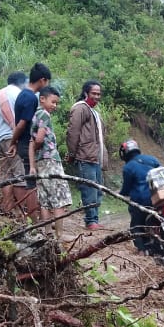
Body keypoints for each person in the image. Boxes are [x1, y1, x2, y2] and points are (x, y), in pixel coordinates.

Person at [7, 63, 53, 221]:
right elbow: (22, 124)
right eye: (46, 82)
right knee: (32, 184)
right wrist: (13, 141)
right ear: (42, 80)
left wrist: (15, 142)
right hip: (27, 145)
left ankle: (35, 218)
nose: (46, 86)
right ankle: (35, 221)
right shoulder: (30, 98)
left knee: (31, 181)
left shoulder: (23, 94)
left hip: (24, 144)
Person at [29, 85, 72, 239]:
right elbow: (39, 139)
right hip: (51, 161)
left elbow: (31, 143)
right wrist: (41, 145)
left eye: (56, 103)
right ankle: (59, 235)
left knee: (45, 200)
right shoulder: (44, 115)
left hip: (40, 162)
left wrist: (32, 165)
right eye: (53, 102)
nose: (55, 106)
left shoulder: (34, 116)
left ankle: (48, 233)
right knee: (59, 199)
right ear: (42, 99)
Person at [65, 80, 107, 230]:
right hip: (85, 157)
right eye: (93, 93)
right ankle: (90, 221)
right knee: (89, 190)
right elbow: (73, 132)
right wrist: (72, 153)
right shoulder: (80, 109)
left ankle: (94, 219)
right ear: (86, 93)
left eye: (99, 94)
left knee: (97, 191)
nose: (96, 96)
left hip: (95, 158)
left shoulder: (94, 112)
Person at [0, 71, 27, 220]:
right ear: (22, 82)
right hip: (13, 138)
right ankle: (21, 214)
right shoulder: (20, 94)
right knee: (19, 176)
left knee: (4, 177)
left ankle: (7, 211)